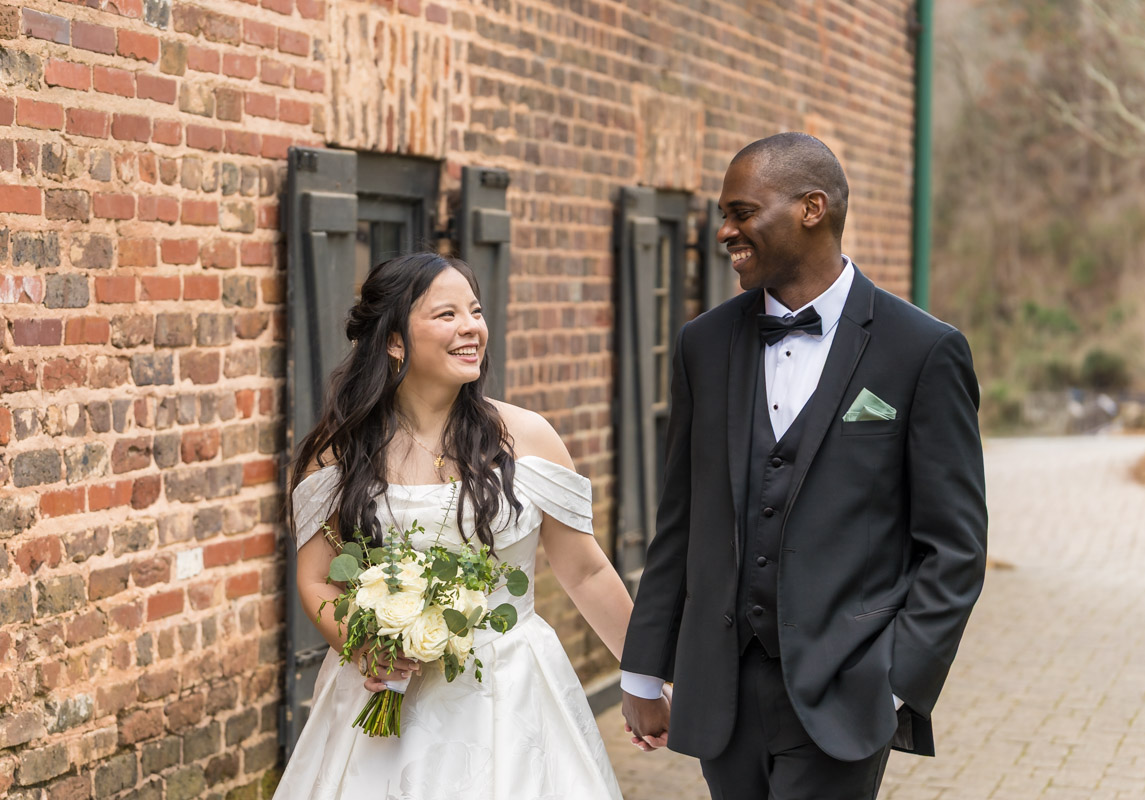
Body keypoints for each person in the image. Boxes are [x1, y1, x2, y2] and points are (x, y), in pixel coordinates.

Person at [619, 132, 988, 799]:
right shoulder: (703, 344)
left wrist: (900, 677)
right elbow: (680, 519)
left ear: (811, 208)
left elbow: (955, 545)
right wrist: (644, 668)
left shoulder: (922, 351)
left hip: (845, 691)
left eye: (741, 211)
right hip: (720, 688)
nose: (725, 230)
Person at [275, 252, 665, 799]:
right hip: (388, 699)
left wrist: (643, 677)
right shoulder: (339, 452)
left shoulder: (527, 438)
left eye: (476, 311)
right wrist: (365, 647)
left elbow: (585, 571)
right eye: (446, 315)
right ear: (393, 341)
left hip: (511, 693)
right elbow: (317, 579)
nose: (471, 328)